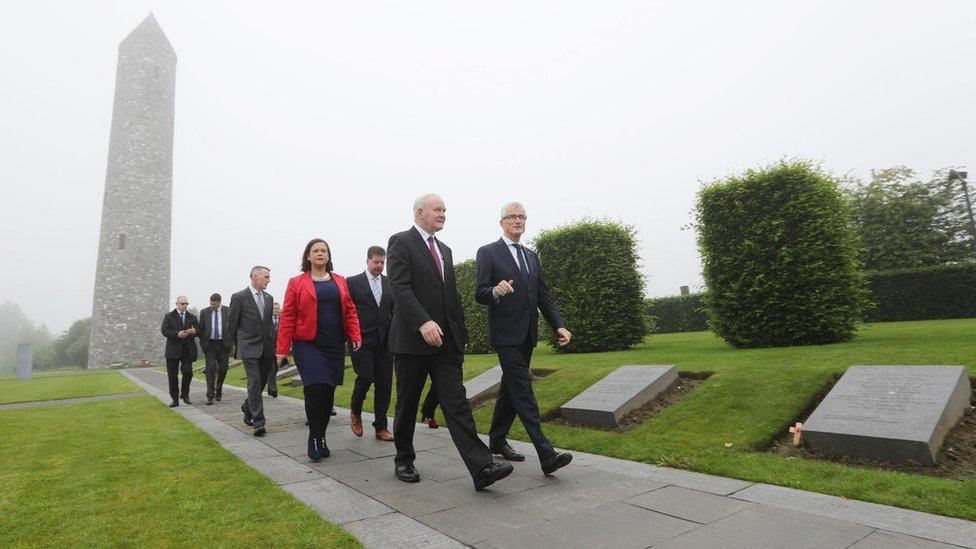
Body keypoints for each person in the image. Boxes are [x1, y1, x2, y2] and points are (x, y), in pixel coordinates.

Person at [387, 193, 513, 491]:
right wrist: (422, 322)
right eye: (437, 209)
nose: (443, 214)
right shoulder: (401, 242)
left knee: (456, 403)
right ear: (420, 213)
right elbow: (400, 288)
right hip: (411, 342)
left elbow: (451, 297)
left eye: (444, 210)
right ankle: (403, 458)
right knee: (407, 403)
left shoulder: (445, 249)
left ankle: (482, 467)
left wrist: (461, 335)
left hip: (445, 343)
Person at [475, 202, 574, 476]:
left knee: (510, 388)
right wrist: (495, 289)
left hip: (527, 334)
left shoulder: (531, 255)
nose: (518, 221)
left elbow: (543, 294)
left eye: (522, 217)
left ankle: (496, 439)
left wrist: (559, 325)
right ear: (502, 222)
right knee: (522, 389)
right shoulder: (488, 252)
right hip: (505, 335)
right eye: (512, 217)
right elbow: (480, 292)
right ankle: (546, 453)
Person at [276, 239, 361, 461]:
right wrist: (282, 349)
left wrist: (355, 335)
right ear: (308, 257)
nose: (320, 254)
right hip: (307, 345)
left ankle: (322, 436)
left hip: (333, 345)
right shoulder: (296, 283)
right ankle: (314, 437)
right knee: (315, 389)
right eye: (316, 251)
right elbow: (288, 317)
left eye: (324, 251)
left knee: (328, 392)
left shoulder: (340, 281)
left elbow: (350, 310)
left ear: (329, 256)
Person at [346, 246, 396, 441]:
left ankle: (381, 427)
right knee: (365, 377)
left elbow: (394, 310)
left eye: (382, 262)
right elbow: (348, 311)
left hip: (385, 341)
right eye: (376, 262)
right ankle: (355, 411)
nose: (379, 266)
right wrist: (350, 336)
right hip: (361, 340)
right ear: (367, 261)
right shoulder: (352, 282)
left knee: (384, 384)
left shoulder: (389, 282)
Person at [228, 266, 276, 437]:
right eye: (266, 277)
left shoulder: (269, 298)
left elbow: (269, 324)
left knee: (260, 384)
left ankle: (247, 406)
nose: (269, 280)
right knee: (254, 383)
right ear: (255, 277)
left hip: (267, 349)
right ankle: (259, 422)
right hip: (248, 348)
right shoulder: (239, 297)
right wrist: (239, 345)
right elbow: (232, 325)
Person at [160, 296, 199, 407]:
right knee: (172, 376)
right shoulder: (169, 316)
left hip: (187, 350)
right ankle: (175, 399)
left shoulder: (192, 317)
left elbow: (199, 330)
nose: (185, 305)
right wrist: (177, 334)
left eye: (187, 303)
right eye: (182, 303)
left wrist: (194, 331)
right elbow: (164, 330)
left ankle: (185, 394)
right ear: (177, 304)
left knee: (188, 372)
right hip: (173, 350)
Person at [199, 293, 232, 405]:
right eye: (210, 303)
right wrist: (203, 342)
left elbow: (233, 326)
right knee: (210, 369)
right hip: (210, 345)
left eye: (213, 304)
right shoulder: (204, 312)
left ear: (219, 302)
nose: (211, 305)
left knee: (223, 369)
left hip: (224, 345)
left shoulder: (228, 311)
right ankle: (210, 396)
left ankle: (218, 390)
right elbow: (201, 328)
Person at [267, 302, 281, 398]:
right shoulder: (267, 320)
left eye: (277, 308)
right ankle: (273, 389)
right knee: (271, 368)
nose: (276, 310)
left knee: (275, 369)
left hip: (279, 349)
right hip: (269, 348)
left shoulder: (283, 320)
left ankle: (270, 388)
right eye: (274, 308)